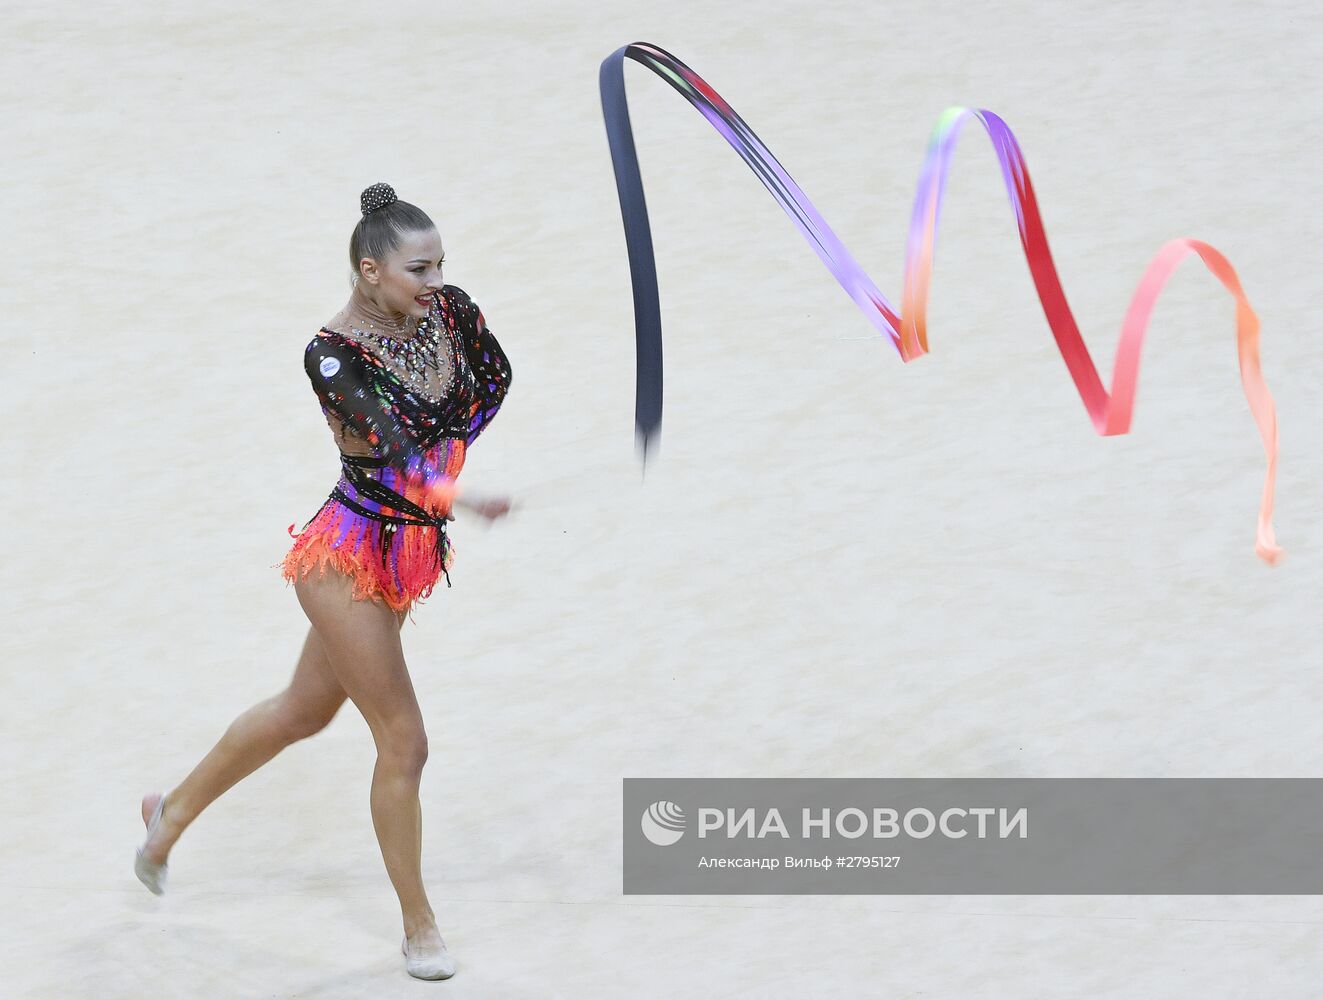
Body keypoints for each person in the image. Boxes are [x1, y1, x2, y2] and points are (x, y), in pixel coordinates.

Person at [133, 182, 513, 981]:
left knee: (301, 712)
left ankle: (169, 815)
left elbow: (493, 378)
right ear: (369, 270)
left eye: (442, 263)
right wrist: (454, 487)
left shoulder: (449, 311)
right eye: (418, 268)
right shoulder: (331, 352)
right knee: (404, 742)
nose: (436, 280)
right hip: (347, 559)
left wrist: (448, 459)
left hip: (406, 553)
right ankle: (419, 927)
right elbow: (391, 442)